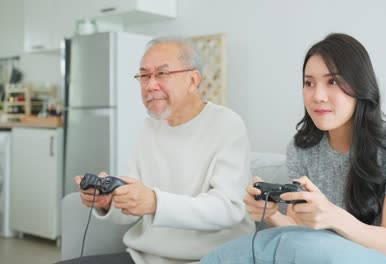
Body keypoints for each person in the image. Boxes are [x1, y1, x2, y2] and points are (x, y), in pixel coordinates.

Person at [201, 33, 386, 264]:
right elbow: (301, 231)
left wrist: (333, 216)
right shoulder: (302, 148)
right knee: (277, 242)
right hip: (317, 254)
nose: (317, 96)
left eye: (333, 82)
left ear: (360, 87)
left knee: (278, 244)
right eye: (309, 83)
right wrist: (273, 215)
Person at [58, 37, 255, 264]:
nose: (150, 85)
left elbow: (229, 208)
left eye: (162, 74)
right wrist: (109, 201)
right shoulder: (149, 127)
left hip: (210, 259)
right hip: (144, 258)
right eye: (144, 75)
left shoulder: (226, 124)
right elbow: (135, 203)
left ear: (193, 80)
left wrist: (155, 202)